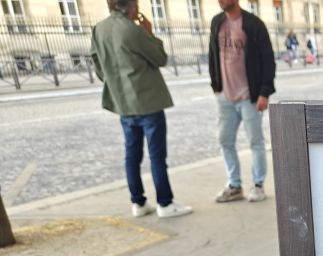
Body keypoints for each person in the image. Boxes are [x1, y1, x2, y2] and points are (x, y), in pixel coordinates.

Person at [91, 0, 192, 219]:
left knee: (132, 154)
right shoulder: (133, 30)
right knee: (157, 156)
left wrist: (112, 80)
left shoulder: (99, 29)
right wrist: (149, 32)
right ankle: (165, 203)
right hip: (147, 100)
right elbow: (160, 58)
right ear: (132, 6)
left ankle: (138, 202)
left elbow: (97, 62)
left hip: (123, 103)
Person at [208, 0, 276, 203]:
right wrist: (215, 85)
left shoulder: (253, 24)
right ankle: (234, 185)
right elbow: (212, 54)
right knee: (225, 140)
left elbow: (268, 59)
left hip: (249, 97)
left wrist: (264, 92)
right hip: (225, 97)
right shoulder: (217, 22)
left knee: (256, 141)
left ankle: (258, 184)